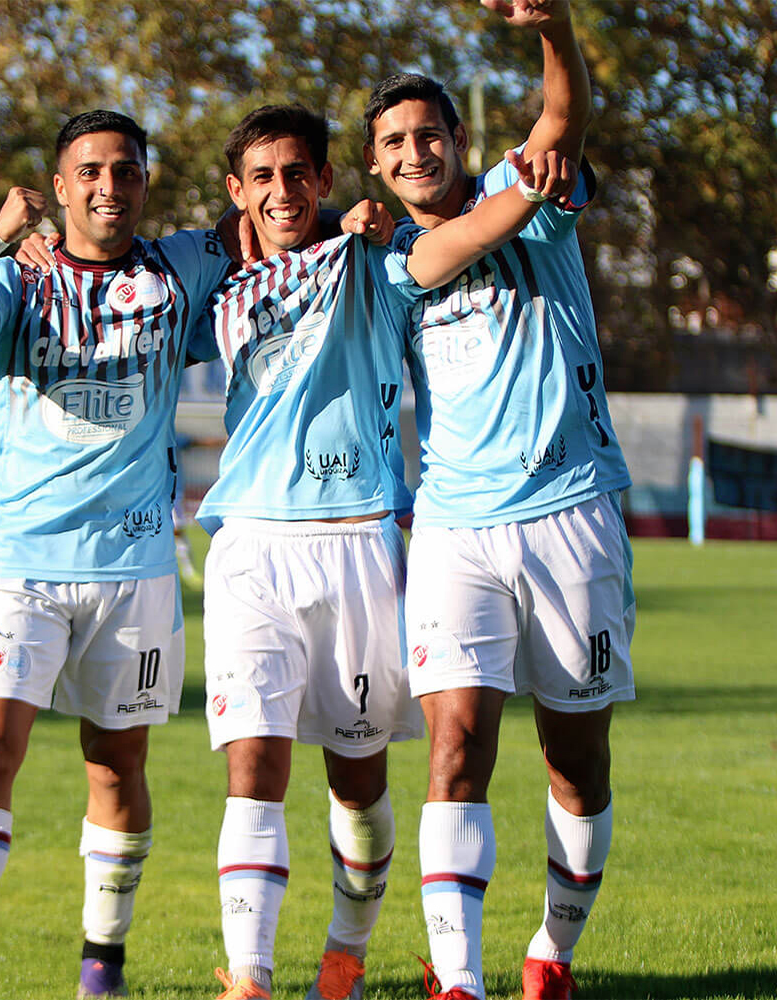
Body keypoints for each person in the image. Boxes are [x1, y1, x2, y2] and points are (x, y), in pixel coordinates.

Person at [198, 103, 563, 1000]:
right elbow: (112, 250)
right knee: (254, 767)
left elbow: (452, 241)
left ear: (326, 180)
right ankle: (248, 978)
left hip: (362, 538)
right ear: (236, 191)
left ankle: (344, 950)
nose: (281, 192)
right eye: (262, 178)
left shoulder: (377, 255)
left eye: (298, 174)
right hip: (249, 543)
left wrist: (502, 194)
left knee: (359, 789)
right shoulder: (204, 268)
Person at [0, 109, 231, 1000]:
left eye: (125, 170)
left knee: (115, 764)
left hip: (134, 569)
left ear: (144, 183)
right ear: (59, 186)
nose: (107, 186)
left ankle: (103, 964)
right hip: (19, 561)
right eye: (89, 171)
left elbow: (278, 214)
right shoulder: (19, 278)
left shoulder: (182, 266)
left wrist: (359, 221)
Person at [361, 3, 634, 999]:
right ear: (379, 168)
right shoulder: (394, 260)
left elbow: (563, 120)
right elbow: (446, 252)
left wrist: (554, 26)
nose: (415, 149)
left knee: (577, 760)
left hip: (572, 509)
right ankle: (460, 981)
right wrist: (528, 178)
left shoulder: (541, 187)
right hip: (455, 528)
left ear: (461, 139)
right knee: (456, 741)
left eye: (429, 131)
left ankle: (553, 951)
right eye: (394, 142)